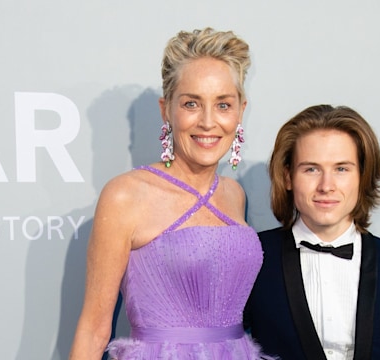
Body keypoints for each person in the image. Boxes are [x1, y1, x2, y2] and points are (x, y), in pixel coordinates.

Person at [69, 28, 271, 360]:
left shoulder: (235, 195)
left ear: (240, 110)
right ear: (167, 109)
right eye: (191, 103)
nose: (208, 122)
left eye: (223, 105)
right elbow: (93, 330)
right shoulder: (125, 196)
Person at [244, 105, 380, 360]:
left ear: (362, 177)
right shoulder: (252, 258)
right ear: (288, 177)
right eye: (311, 169)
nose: (326, 186)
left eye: (341, 169)